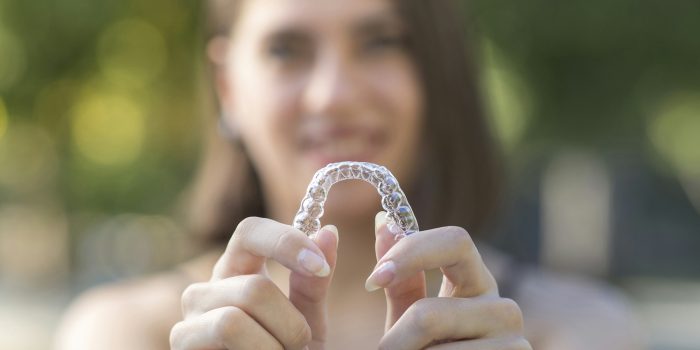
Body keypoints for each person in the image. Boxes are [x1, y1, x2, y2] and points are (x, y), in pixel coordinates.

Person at [54, 0, 645, 349]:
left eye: (381, 42)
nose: (334, 95)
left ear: (436, 76)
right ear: (228, 87)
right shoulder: (121, 332)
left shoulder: (582, 331)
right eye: (287, 49)